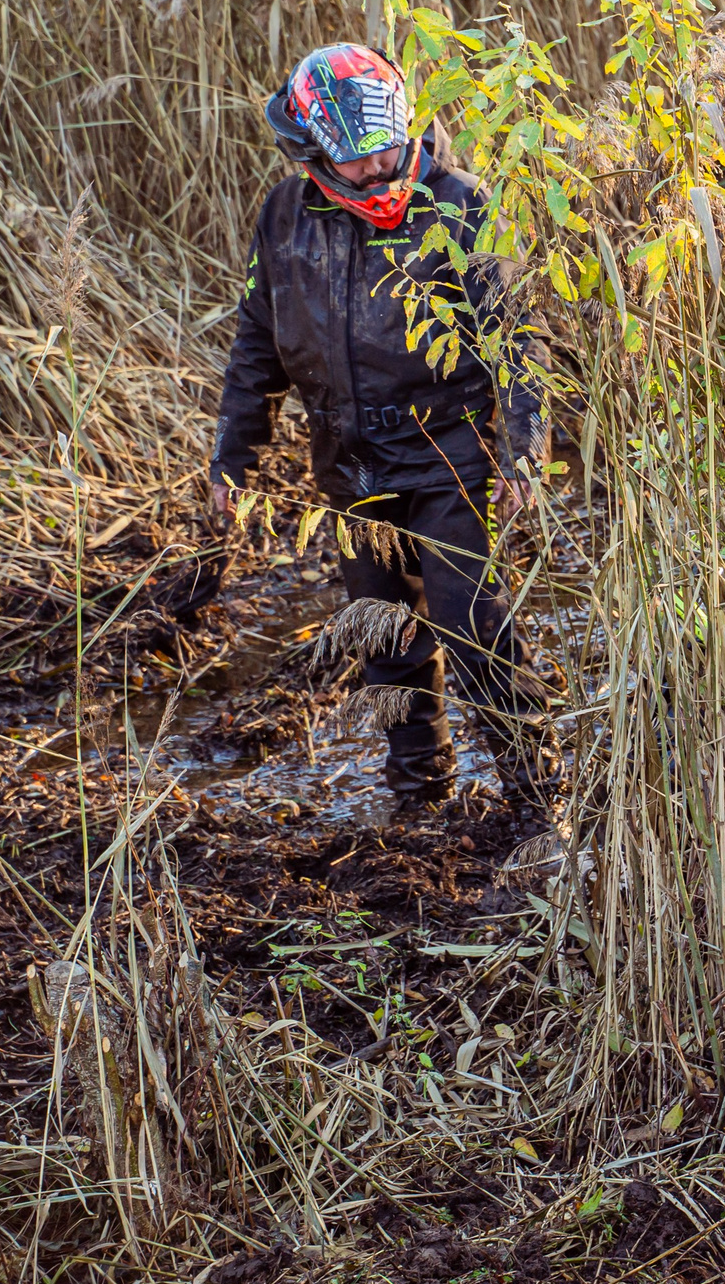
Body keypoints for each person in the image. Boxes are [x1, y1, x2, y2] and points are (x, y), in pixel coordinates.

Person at [210, 43, 552, 810]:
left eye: (386, 150)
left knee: (473, 628)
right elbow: (256, 342)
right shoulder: (284, 216)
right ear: (310, 153)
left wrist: (522, 450)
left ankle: (538, 797)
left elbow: (517, 342)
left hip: (447, 454)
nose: (376, 170)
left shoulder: (461, 204)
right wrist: (234, 457)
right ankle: (419, 795)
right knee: (384, 638)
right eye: (355, 160)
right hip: (349, 464)